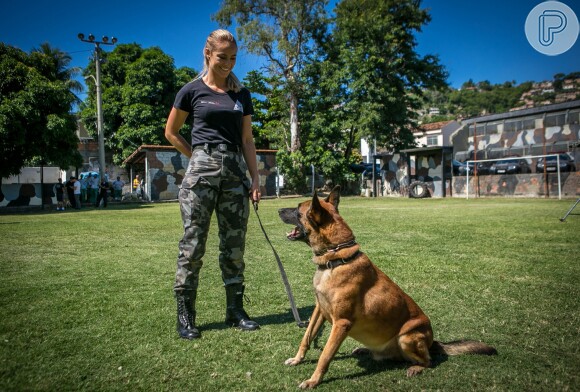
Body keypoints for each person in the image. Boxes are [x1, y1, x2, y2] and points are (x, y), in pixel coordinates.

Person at [165, 29, 261, 340]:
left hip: (235, 174)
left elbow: (247, 140)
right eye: (222, 57)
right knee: (192, 246)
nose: (228, 63)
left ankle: (235, 310)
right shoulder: (191, 91)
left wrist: (255, 177)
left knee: (234, 246)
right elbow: (171, 131)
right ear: (208, 54)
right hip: (200, 175)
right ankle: (186, 315)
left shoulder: (241, 95)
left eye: (233, 58)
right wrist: (197, 156)